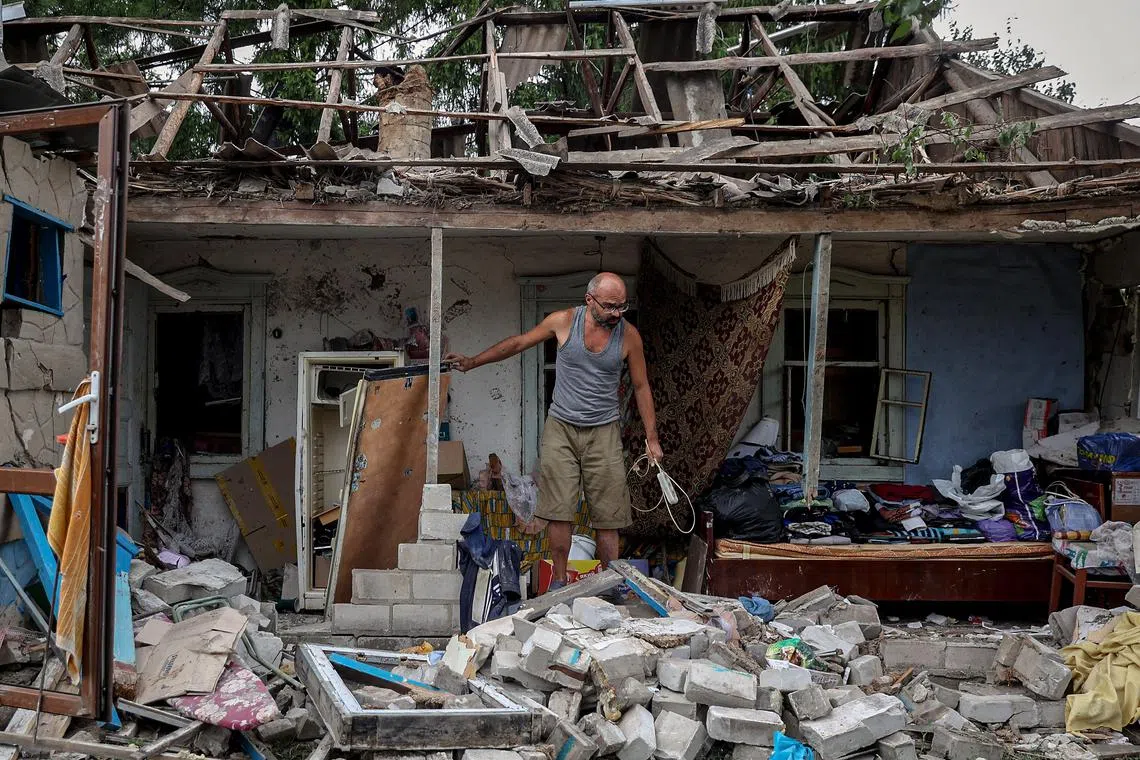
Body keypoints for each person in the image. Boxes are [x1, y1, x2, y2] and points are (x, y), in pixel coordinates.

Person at [445, 272, 662, 591]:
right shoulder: (562, 321)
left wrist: (652, 438)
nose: (617, 313)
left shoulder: (629, 337)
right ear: (590, 300)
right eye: (610, 307)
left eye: (622, 307)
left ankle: (610, 581)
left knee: (609, 514)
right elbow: (518, 343)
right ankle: (559, 581)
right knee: (559, 511)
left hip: (604, 431)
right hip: (561, 429)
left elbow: (642, 387)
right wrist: (474, 361)